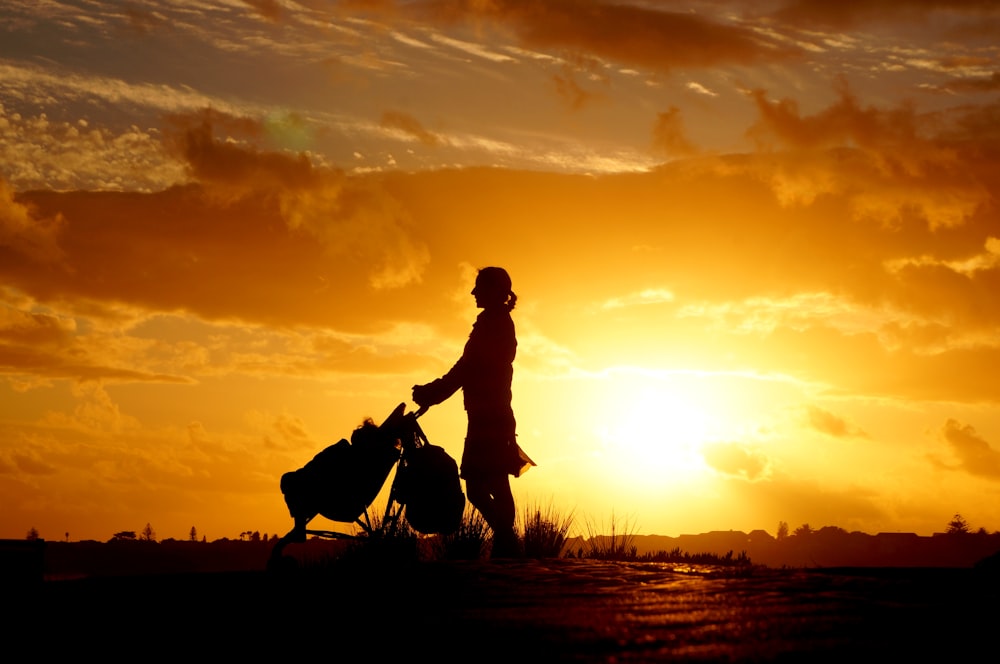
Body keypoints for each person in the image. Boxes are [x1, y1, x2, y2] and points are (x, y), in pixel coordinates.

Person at [412, 267, 533, 557]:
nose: (473, 292)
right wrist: (433, 393)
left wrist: (432, 392)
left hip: (490, 416)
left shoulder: (495, 325)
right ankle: (507, 546)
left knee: (480, 488)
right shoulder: (494, 323)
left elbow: (466, 369)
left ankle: (507, 542)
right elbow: (467, 367)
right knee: (495, 485)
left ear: (494, 291)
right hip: (490, 413)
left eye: (479, 287)